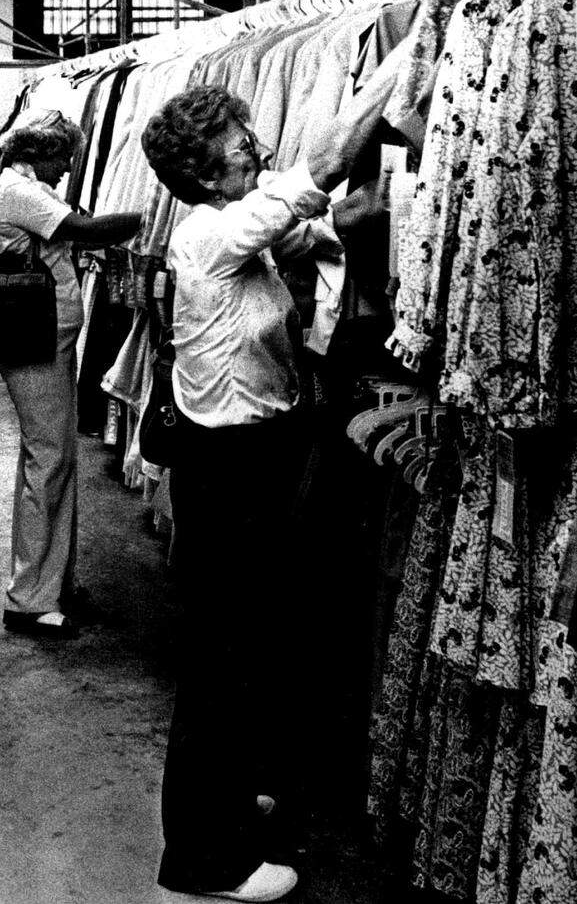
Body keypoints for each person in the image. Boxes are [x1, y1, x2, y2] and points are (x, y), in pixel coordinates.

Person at [141, 79, 390, 904]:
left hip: (255, 457)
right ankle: (203, 860)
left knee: (247, 647)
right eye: (238, 138)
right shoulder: (211, 234)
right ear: (201, 169)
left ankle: (229, 806)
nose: (255, 145)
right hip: (229, 469)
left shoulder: (239, 230)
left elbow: (335, 216)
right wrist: (408, 60)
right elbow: (320, 166)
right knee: (222, 657)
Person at [0, 111, 142, 639]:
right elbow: (85, 230)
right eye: (64, 158)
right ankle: (29, 601)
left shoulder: (25, 188)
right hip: (34, 340)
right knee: (49, 459)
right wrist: (151, 213)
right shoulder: (19, 192)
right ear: (39, 153)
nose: (68, 168)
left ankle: (52, 583)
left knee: (55, 457)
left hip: (45, 339)